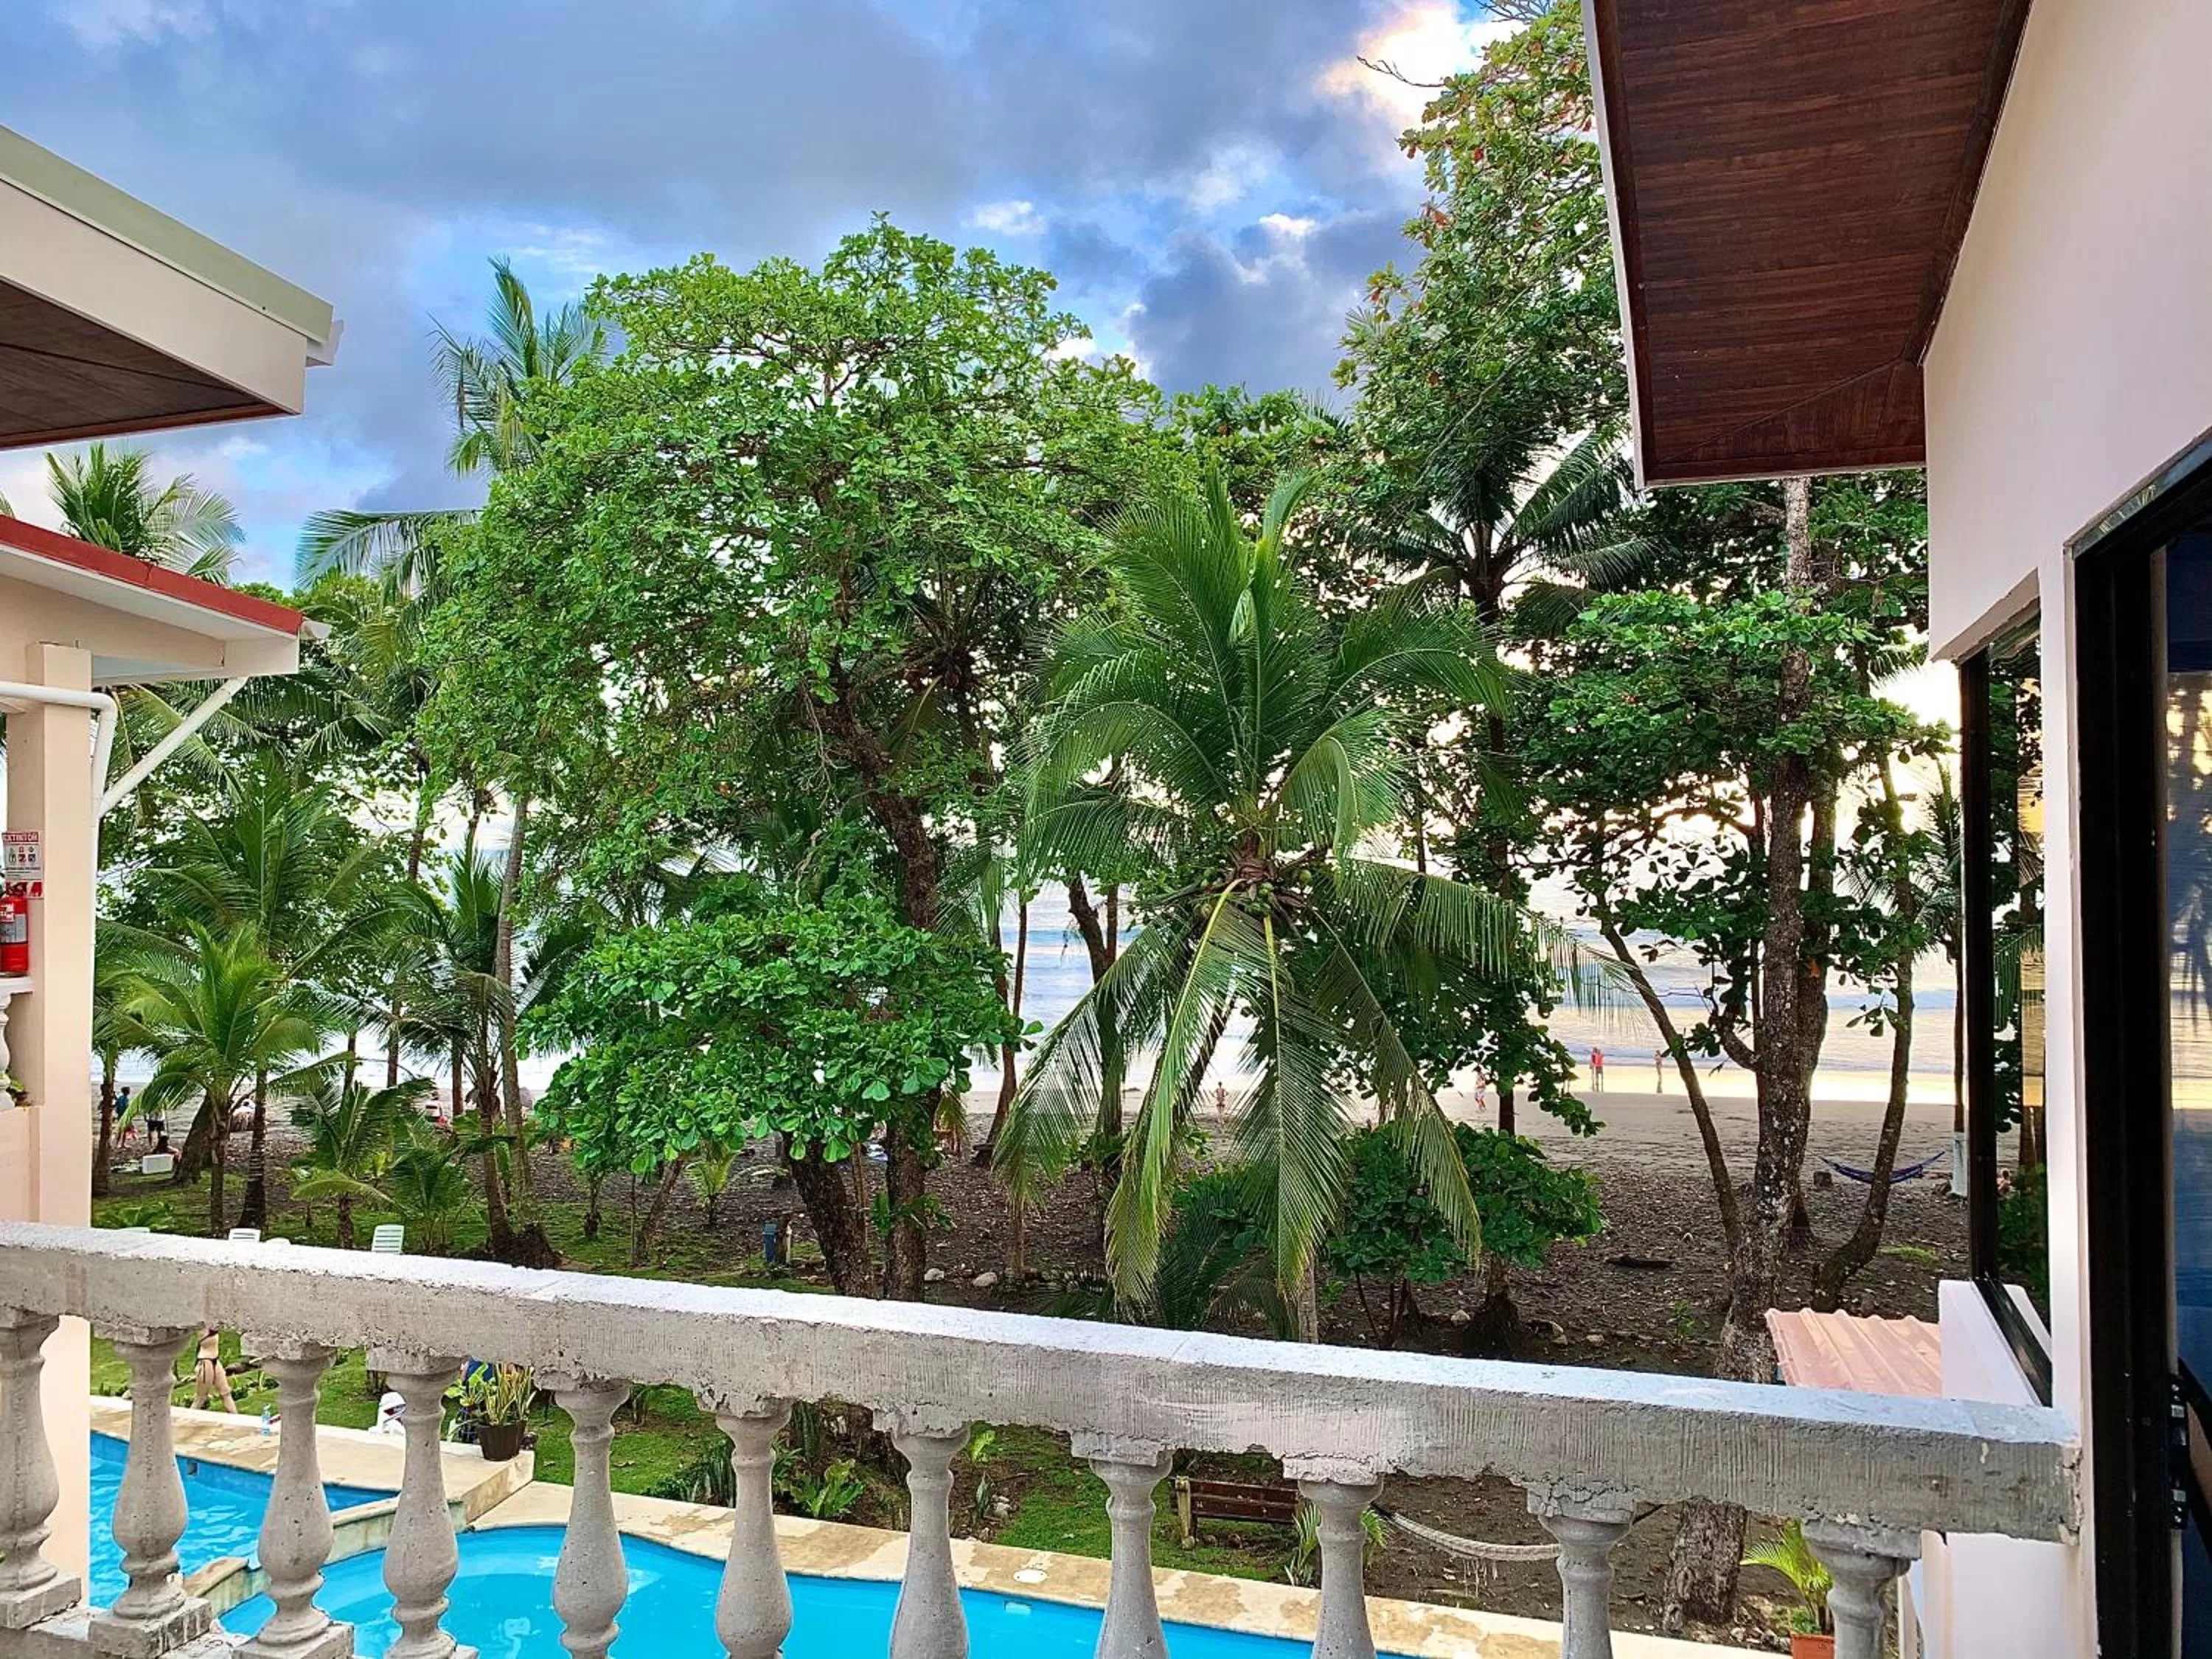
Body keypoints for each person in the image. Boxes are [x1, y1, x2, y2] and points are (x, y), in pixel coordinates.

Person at [192, 1327, 238, 1413]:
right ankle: (189, 1417)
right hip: (205, 1362)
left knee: (226, 1393)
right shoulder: (202, 1327)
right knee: (201, 1398)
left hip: (215, 1360)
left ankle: (236, 1417)